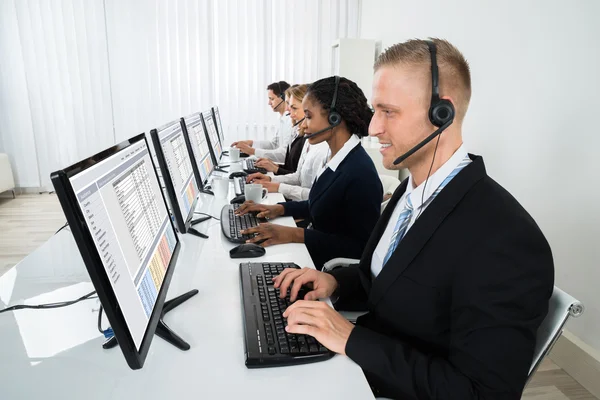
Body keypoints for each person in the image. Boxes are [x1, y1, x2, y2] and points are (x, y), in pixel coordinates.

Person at [272, 38, 554, 399]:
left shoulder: (506, 240)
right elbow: (392, 281)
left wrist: (351, 339)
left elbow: (484, 392)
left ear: (443, 114)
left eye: (388, 112)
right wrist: (334, 283)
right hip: (360, 365)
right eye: (376, 110)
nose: (373, 128)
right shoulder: (410, 193)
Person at [236, 76, 382, 269]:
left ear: (334, 118)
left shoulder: (359, 173)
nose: (303, 126)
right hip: (311, 251)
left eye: (309, 116)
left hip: (327, 270)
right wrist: (279, 209)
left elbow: (360, 248)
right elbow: (321, 204)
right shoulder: (336, 156)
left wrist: (293, 233)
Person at [246, 84, 329, 201]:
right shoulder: (306, 138)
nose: (288, 110)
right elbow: (298, 177)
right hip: (298, 201)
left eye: (293, 107)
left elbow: (315, 197)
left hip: (302, 206)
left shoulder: (322, 148)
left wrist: (276, 181)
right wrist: (271, 180)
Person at [231, 81, 293, 162]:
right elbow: (274, 145)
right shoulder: (282, 119)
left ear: (283, 98)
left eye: (272, 99)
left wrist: (252, 151)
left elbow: (284, 154)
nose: (269, 103)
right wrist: (250, 143)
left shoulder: (290, 121)